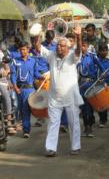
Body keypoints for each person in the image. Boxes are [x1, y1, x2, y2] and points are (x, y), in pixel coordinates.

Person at [33, 23, 83, 157]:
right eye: (58, 45)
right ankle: (50, 148)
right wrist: (36, 34)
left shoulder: (73, 56)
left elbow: (78, 51)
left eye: (62, 46)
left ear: (68, 48)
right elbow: (38, 47)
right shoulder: (52, 56)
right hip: (54, 98)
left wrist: (78, 37)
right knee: (53, 123)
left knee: (74, 123)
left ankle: (75, 146)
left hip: (71, 97)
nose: (59, 47)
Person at [10, 41, 40, 138]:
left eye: (24, 49)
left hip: (30, 89)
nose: (22, 51)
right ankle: (23, 128)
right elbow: (13, 75)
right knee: (21, 109)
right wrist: (15, 87)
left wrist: (43, 77)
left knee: (27, 109)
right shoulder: (15, 61)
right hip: (20, 89)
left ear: (28, 50)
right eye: (21, 49)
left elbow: (36, 74)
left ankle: (26, 129)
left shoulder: (33, 61)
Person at [42, 29, 69, 132]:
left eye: (51, 39)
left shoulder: (56, 46)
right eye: (48, 38)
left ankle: (64, 124)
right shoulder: (43, 46)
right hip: (47, 75)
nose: (50, 41)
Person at [77, 38, 102, 137]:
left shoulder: (92, 57)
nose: (83, 47)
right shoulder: (77, 57)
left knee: (90, 106)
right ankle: (86, 126)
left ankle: (90, 126)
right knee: (83, 107)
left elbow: (101, 66)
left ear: (87, 47)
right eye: (81, 45)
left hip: (91, 84)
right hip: (81, 85)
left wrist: (102, 75)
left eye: (84, 46)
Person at [96, 43, 109, 128]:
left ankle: (103, 119)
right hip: (97, 84)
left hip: (106, 84)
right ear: (99, 51)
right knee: (98, 103)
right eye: (102, 50)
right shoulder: (95, 61)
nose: (104, 52)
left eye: (105, 50)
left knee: (104, 102)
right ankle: (101, 118)